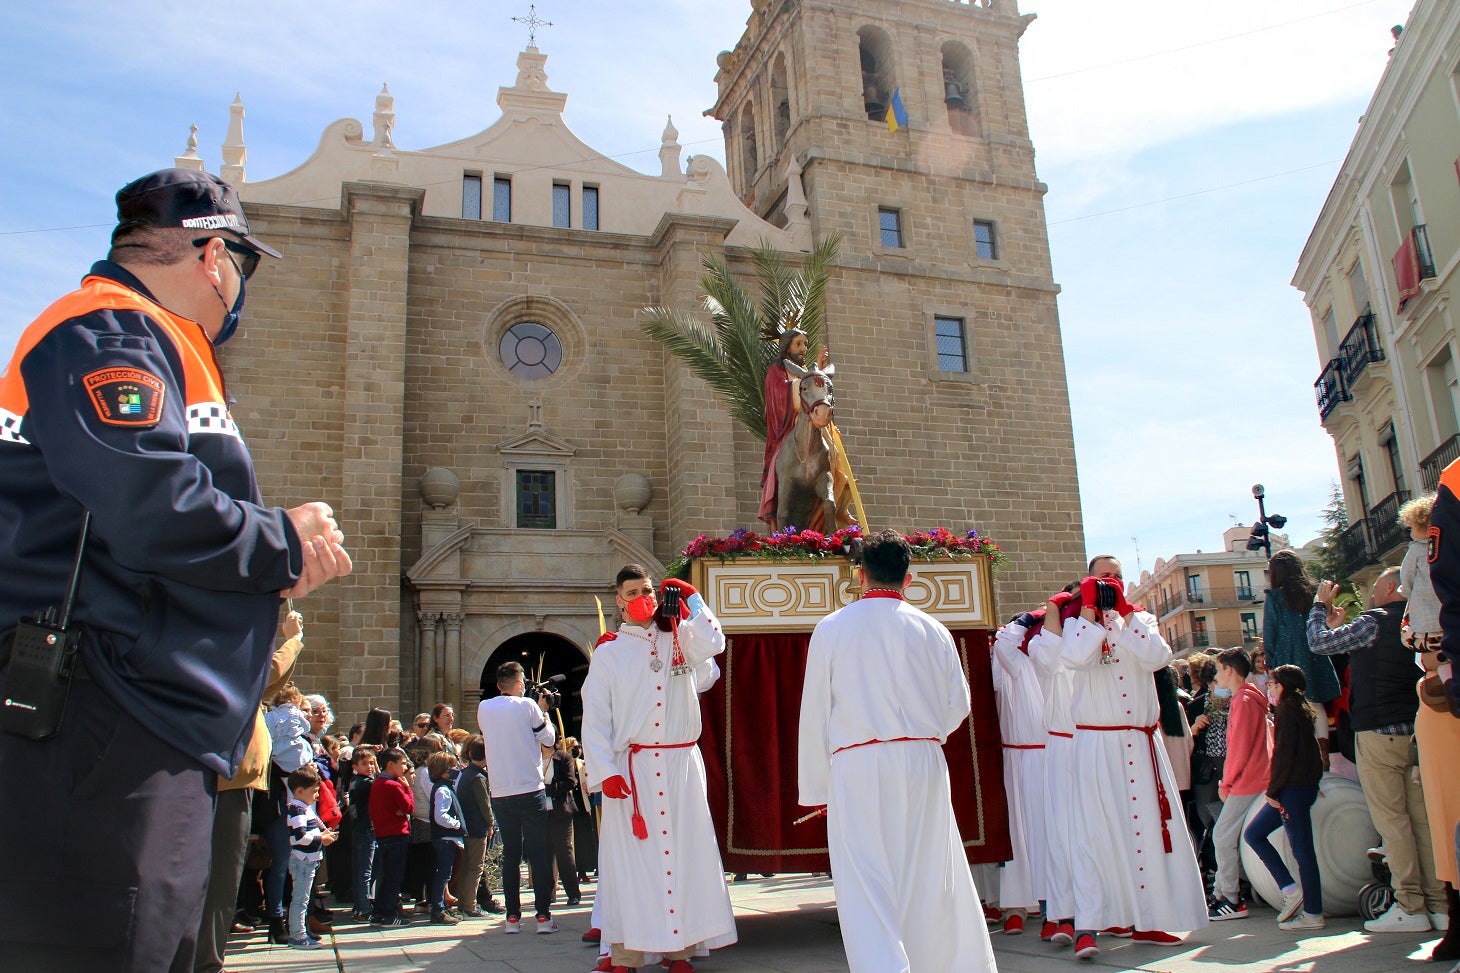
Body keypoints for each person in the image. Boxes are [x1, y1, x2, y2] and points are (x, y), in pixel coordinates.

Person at [0, 168, 355, 971]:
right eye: (244, 264)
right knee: (114, 943)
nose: (240, 286)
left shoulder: (147, 337)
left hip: (137, 716)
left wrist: (270, 564)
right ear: (212, 253)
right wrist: (283, 542)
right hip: (107, 714)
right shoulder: (109, 329)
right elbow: (147, 499)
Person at [798, 532, 994, 973]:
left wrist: (819, 788)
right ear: (908, 577)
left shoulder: (831, 628)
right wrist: (922, 736)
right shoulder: (934, 629)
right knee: (929, 872)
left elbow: (815, 712)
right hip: (923, 760)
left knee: (866, 880)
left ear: (861, 574)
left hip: (859, 762)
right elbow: (958, 704)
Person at [584, 565, 737, 973]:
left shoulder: (679, 637)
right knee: (632, 863)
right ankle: (626, 954)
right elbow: (595, 718)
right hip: (632, 770)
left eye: (647, 589)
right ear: (619, 600)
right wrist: (605, 771)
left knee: (684, 857)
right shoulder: (610, 651)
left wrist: (693, 599)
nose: (643, 597)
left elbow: (714, 643)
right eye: (633, 592)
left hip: (681, 765)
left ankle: (679, 951)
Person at [1060, 557, 1208, 959]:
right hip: (1097, 745)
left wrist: (1125, 612)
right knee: (1094, 832)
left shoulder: (1143, 620)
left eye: (1117, 576)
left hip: (1140, 745)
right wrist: (1089, 609)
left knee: (1149, 832)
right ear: (1090, 580)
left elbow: (1158, 658)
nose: (1112, 582)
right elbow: (1075, 658)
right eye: (1103, 576)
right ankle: (1088, 924)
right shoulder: (1078, 623)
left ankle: (1152, 919)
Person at [1309, 571, 1445, 931]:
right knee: (1423, 822)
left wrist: (1320, 608)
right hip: (1413, 732)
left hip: (1377, 732)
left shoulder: (1375, 621)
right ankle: (1440, 905)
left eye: (1372, 587)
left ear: (1387, 589)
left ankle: (1410, 906)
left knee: (1393, 822)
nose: (1366, 594)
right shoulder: (1416, 622)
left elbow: (1318, 643)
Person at [194, 610, 305, 973]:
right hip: (225, 776)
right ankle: (204, 961)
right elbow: (261, 676)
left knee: (223, 873)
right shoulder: (217, 644)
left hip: (233, 777)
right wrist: (291, 639)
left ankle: (205, 956)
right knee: (220, 875)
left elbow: (266, 684)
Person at [478, 660, 558, 935]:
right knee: (537, 853)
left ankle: (512, 917)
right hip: (530, 788)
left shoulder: (484, 708)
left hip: (500, 791)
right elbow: (549, 739)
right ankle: (543, 917)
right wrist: (544, 710)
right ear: (520, 683)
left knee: (511, 855)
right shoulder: (528, 706)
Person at [1244, 665, 1326, 931]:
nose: (1269, 687)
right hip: (1299, 787)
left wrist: (1273, 791)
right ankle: (1291, 889)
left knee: (1302, 850)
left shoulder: (1288, 712)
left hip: (1292, 789)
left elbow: (1284, 755)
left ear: (1283, 686)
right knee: (1256, 834)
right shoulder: (1298, 709)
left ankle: (1312, 912)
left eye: (1273, 683)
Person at [990, 614, 1049, 935]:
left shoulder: (1058, 659)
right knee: (1019, 833)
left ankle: (1054, 902)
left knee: (1050, 833)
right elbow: (1004, 645)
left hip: (1053, 755)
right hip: (1018, 757)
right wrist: (1025, 620)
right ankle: (1018, 903)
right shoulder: (1014, 662)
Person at [1206, 648, 1271, 922]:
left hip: (1247, 780)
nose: (1217, 675)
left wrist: (1227, 781)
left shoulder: (1243, 700)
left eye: (1219, 670)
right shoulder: (1250, 696)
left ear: (1229, 670)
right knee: (1224, 835)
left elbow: (1239, 748)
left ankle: (1230, 897)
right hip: (1255, 777)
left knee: (1222, 835)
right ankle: (1224, 893)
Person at [1263, 551, 1341, 706]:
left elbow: (1269, 633)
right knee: (1316, 704)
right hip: (1315, 652)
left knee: (1292, 705)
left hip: (1286, 654)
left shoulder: (1274, 597)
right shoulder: (1313, 593)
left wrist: (1270, 664)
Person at [285, 763, 337, 949]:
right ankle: (297, 935)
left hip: (308, 860)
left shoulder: (302, 808)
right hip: (303, 861)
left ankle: (300, 933)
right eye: (314, 791)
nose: (317, 795)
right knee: (300, 900)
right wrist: (321, 838)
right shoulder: (297, 810)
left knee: (302, 899)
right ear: (299, 791)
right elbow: (299, 837)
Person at [369, 747, 416, 928]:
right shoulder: (394, 785)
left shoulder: (378, 784)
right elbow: (409, 808)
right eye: (402, 763)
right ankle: (389, 915)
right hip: (397, 834)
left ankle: (378, 913)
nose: (404, 767)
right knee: (394, 877)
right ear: (390, 764)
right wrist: (407, 789)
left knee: (387, 876)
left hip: (382, 835)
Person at [455, 735, 499, 917]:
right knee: (476, 867)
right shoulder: (478, 777)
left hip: (466, 826)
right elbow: (485, 804)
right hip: (476, 828)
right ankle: (470, 905)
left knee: (466, 866)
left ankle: (464, 902)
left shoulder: (465, 773)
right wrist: (491, 824)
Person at [426, 751, 465, 925]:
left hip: (447, 837)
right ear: (444, 771)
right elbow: (440, 815)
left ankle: (442, 907)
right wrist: (456, 824)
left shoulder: (446, 787)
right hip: (445, 838)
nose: (456, 769)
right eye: (452, 767)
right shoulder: (442, 789)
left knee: (445, 874)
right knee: (443, 874)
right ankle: (438, 909)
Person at [546, 738, 583, 906]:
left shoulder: (564, 757)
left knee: (564, 851)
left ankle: (573, 893)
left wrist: (547, 789)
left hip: (561, 811)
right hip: (540, 812)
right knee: (543, 854)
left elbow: (570, 781)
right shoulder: (533, 756)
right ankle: (546, 893)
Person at [346, 747, 380, 922]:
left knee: (364, 870)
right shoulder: (365, 783)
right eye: (364, 764)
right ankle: (363, 908)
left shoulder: (357, 781)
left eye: (371, 763)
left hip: (363, 829)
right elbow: (381, 784)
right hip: (366, 830)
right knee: (365, 871)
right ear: (355, 766)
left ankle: (360, 905)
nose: (370, 767)